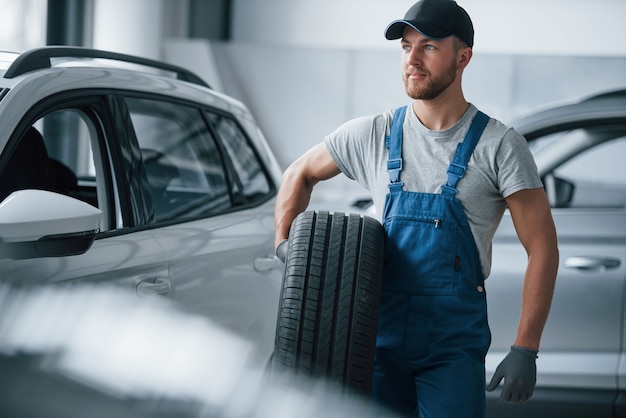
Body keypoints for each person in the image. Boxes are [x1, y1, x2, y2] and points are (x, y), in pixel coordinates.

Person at [273, 0, 559, 416]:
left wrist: (526, 348)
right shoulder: (374, 133)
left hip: (451, 350)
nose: (412, 59)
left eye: (428, 47)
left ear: (463, 57)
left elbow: (543, 248)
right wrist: (286, 246)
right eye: (406, 47)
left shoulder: (500, 146)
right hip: (371, 343)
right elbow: (299, 173)